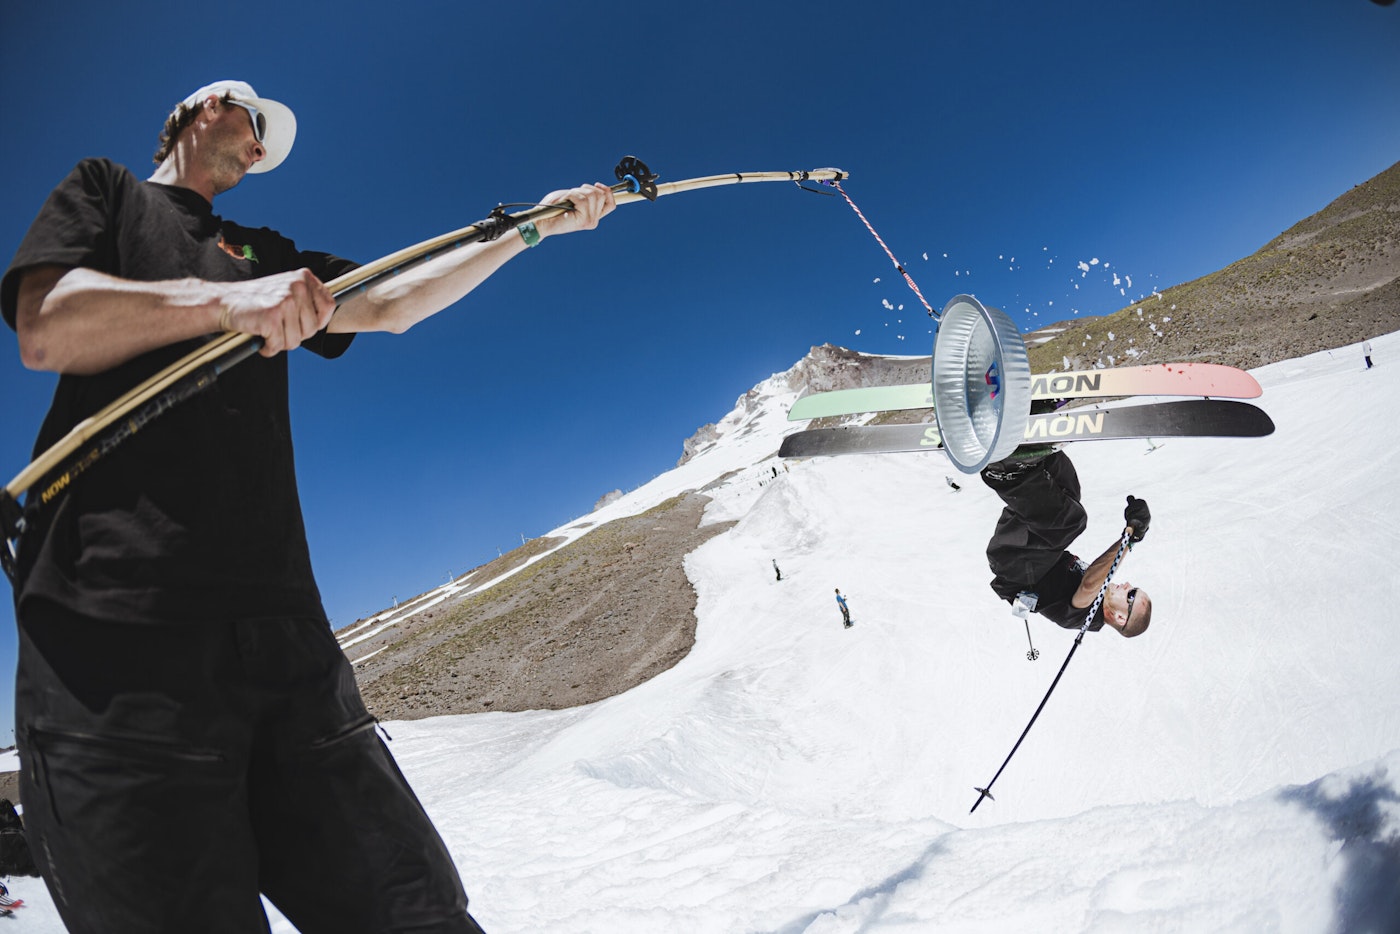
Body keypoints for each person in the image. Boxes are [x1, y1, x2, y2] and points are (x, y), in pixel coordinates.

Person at [2, 80, 616, 933]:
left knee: (419, 915)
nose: (261, 149)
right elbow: (46, 324)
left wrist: (535, 226)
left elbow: (392, 300)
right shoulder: (107, 193)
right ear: (205, 108)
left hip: (288, 646)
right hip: (115, 644)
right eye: (256, 125)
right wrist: (227, 303)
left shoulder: (264, 251)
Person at [980, 447, 1151, 637]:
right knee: (1069, 496)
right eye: (1134, 588)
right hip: (1026, 552)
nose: (1128, 585)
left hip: (1015, 565)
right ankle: (1039, 451)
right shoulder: (1099, 600)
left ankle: (1006, 472)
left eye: (1131, 595)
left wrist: (1130, 539)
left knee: (1070, 523)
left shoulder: (1086, 618)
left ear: (1120, 617)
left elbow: (1089, 585)